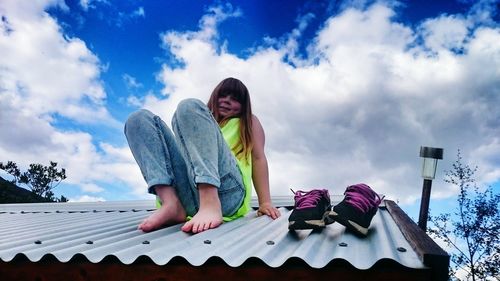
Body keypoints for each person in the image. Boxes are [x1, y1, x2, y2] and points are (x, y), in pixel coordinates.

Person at [124, 77, 280, 234]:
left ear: (244, 106)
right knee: (137, 119)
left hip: (226, 193)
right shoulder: (197, 122)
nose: (226, 101)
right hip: (187, 194)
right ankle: (170, 203)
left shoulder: (247, 122)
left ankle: (210, 201)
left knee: (189, 105)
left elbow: (259, 159)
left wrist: (265, 202)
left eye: (234, 99)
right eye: (223, 95)